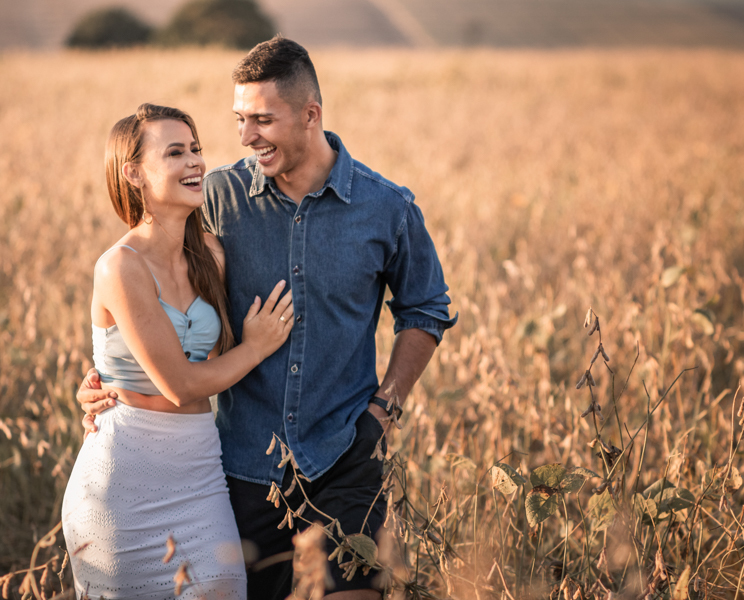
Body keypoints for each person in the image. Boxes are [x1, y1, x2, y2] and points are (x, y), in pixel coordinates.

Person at [78, 36, 457, 599]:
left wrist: (385, 408)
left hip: (346, 454)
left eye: (262, 119)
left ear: (311, 116)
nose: (246, 136)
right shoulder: (218, 197)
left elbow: (426, 307)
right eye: (238, 120)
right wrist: (104, 381)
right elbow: (147, 281)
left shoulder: (387, 207)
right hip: (235, 468)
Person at [63, 103, 296, 600]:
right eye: (174, 152)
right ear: (134, 174)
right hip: (123, 478)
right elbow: (180, 384)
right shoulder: (119, 266)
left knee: (225, 589)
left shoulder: (210, 254)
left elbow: (199, 359)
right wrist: (256, 347)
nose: (194, 162)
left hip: (198, 471)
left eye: (196, 149)